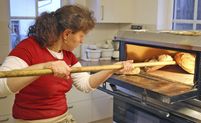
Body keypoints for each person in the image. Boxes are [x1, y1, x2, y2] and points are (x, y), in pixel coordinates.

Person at [0, 5, 133, 123]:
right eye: (81, 35)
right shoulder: (28, 47)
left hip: (62, 118)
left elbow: (85, 84)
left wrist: (112, 69)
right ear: (67, 34)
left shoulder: (67, 54)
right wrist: (45, 66)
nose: (82, 41)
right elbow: (2, 86)